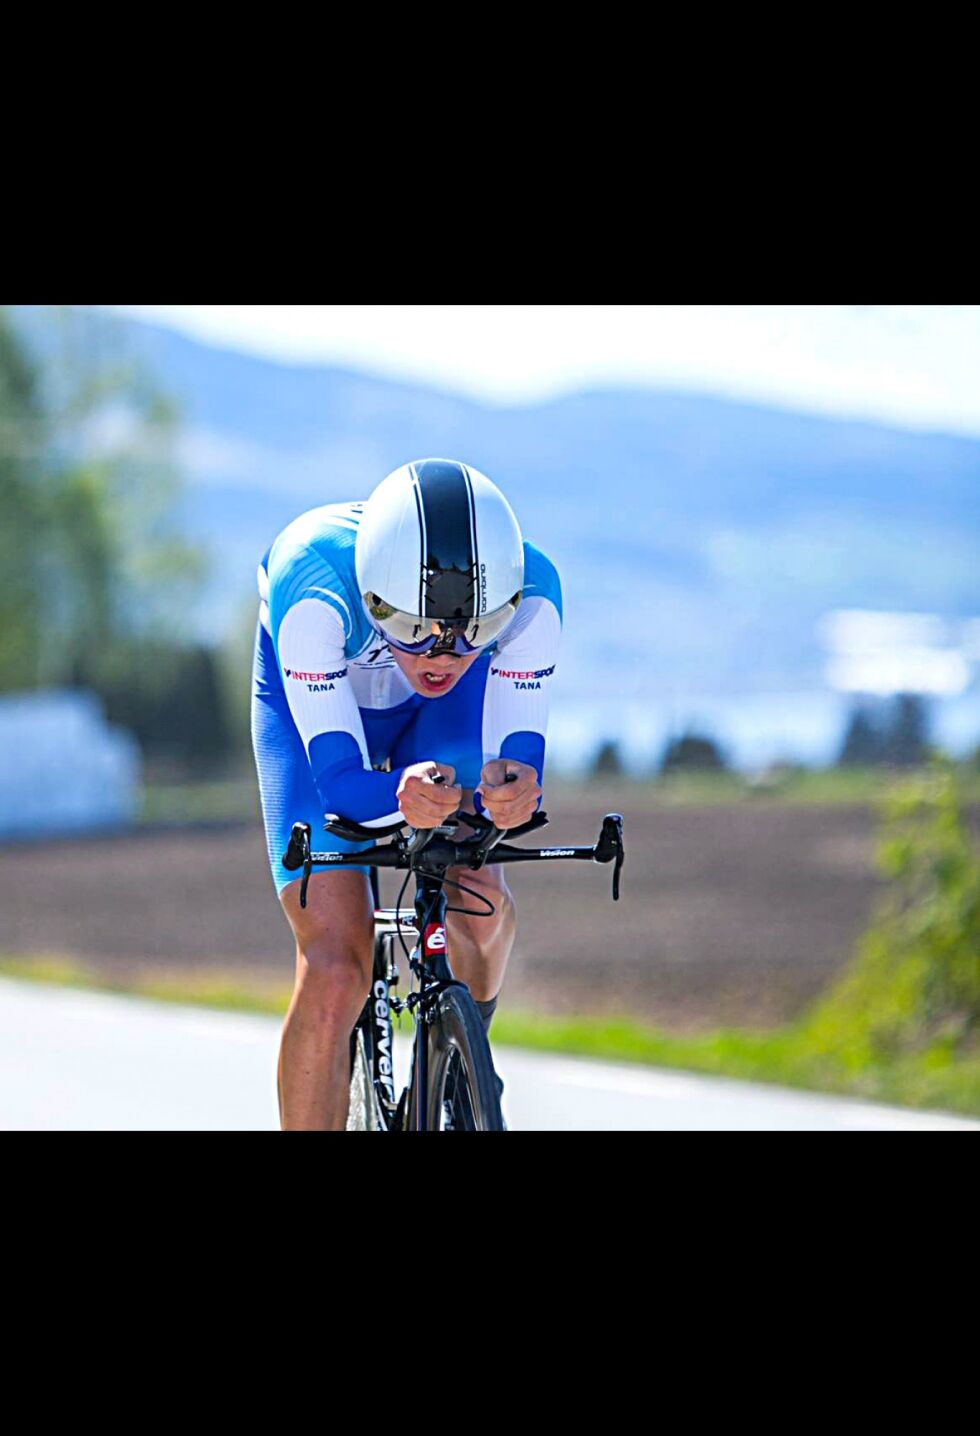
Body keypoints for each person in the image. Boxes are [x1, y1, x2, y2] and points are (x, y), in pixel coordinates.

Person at [252, 458, 562, 1130]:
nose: (441, 656)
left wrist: (512, 794)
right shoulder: (313, 583)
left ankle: (457, 1067)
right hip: (323, 720)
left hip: (439, 724)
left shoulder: (533, 593)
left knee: (479, 909)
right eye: (415, 628)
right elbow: (339, 787)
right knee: (336, 968)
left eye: (473, 634)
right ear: (375, 601)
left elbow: (517, 772)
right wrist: (399, 793)